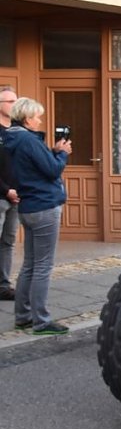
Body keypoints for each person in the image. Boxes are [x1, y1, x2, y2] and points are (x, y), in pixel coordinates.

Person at [3, 97, 73, 335]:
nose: (40, 121)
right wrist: (62, 154)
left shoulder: (11, 138)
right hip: (44, 206)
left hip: (28, 206)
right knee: (43, 266)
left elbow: (34, 166)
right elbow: (52, 170)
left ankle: (23, 316)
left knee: (30, 265)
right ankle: (41, 321)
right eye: (37, 117)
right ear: (26, 118)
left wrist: (52, 151)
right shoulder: (28, 140)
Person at [0, 85, 20, 301]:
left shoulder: (17, 130)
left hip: (17, 198)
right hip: (2, 196)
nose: (14, 105)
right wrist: (6, 190)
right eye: (10, 101)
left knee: (8, 242)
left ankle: (4, 285)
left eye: (16, 100)